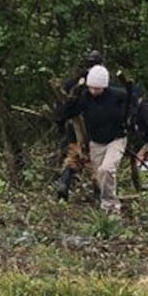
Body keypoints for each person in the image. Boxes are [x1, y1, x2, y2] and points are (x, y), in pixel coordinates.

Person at [55, 64, 131, 214]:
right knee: (99, 176)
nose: (94, 91)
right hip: (96, 142)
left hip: (116, 139)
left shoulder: (117, 95)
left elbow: (133, 101)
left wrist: (130, 120)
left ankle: (111, 207)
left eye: (98, 88)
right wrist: (74, 96)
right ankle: (105, 203)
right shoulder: (84, 98)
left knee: (107, 169)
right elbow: (65, 112)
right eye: (92, 87)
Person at [52, 50, 105, 199]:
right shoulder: (100, 83)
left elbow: (64, 105)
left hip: (73, 125)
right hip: (92, 124)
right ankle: (99, 193)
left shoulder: (73, 81)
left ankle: (64, 183)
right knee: (94, 159)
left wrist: (60, 122)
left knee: (74, 156)